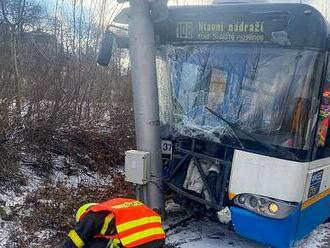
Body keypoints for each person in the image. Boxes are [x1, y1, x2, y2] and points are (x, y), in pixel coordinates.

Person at [64, 198, 166, 248]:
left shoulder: (92, 214)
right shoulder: (114, 207)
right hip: (158, 239)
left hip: (136, 244)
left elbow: (74, 241)